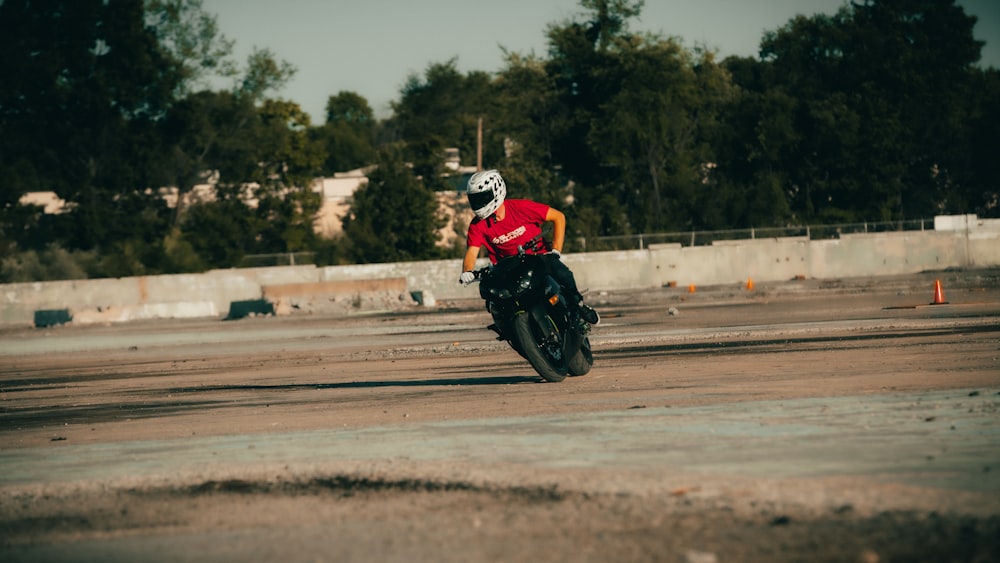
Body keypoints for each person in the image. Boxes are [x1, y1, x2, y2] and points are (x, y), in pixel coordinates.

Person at [459, 169, 600, 325]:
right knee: (493, 298)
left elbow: (558, 217)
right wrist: (467, 271)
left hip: (538, 258)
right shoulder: (477, 225)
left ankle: (578, 305)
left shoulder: (521, 208)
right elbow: (472, 252)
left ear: (496, 191)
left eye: (482, 198)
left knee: (561, 272)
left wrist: (555, 251)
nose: (478, 204)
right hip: (508, 268)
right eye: (475, 199)